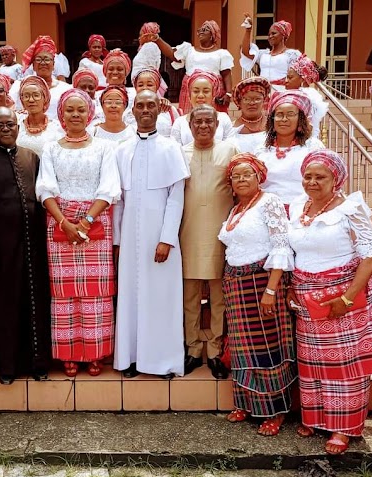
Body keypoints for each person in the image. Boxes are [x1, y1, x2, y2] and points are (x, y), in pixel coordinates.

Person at [288, 149, 372, 455]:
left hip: (342, 294)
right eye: (308, 176)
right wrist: (292, 287)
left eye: (320, 177)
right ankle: (316, 419)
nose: (312, 181)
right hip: (308, 296)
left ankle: (343, 428)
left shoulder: (350, 208)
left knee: (344, 366)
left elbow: (370, 254)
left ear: (336, 179)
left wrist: (347, 299)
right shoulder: (298, 207)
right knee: (314, 364)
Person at [35, 89, 121, 378]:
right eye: (69, 110)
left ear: (89, 114)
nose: (75, 115)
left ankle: (94, 354)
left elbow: (109, 188)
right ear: (61, 114)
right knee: (64, 296)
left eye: (80, 110)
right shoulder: (51, 148)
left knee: (95, 295)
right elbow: (45, 188)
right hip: (59, 223)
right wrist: (65, 223)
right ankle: (69, 354)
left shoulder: (103, 148)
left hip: (95, 223)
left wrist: (85, 221)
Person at [0, 107, 51, 383]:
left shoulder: (32, 158)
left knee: (35, 303)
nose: (6, 129)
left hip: (33, 246)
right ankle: (7, 367)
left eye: (10, 124)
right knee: (5, 307)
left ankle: (38, 364)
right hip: (0, 250)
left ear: (18, 127)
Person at [113, 90, 190, 379]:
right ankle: (131, 359)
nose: (145, 110)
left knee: (162, 298)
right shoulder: (122, 149)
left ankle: (164, 361)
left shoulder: (171, 148)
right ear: (132, 110)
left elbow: (176, 196)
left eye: (150, 105)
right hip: (130, 240)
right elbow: (118, 199)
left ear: (159, 109)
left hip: (161, 240)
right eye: (140, 105)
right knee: (131, 297)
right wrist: (117, 241)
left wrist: (167, 238)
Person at [218, 154, 295, 435]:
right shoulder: (236, 208)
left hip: (262, 282)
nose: (241, 180)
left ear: (259, 176)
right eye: (235, 176)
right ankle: (246, 403)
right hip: (236, 283)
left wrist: (271, 290)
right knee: (241, 349)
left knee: (268, 349)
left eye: (246, 174)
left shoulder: (269, 202)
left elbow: (281, 245)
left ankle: (275, 410)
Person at [181, 105, 238, 380]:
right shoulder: (180, 153)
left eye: (208, 121)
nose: (203, 126)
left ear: (217, 124)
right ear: (190, 125)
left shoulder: (230, 151)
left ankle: (215, 352)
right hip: (187, 233)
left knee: (219, 298)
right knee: (189, 296)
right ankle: (192, 350)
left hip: (221, 235)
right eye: (198, 122)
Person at [254, 90, 324, 209]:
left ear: (300, 119)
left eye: (290, 114)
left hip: (303, 210)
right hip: (267, 211)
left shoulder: (312, 147)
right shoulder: (261, 149)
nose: (284, 119)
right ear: (272, 119)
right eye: (279, 114)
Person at [152, 20, 234, 115]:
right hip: (190, 92)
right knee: (190, 118)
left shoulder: (222, 54)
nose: (201, 32)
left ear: (212, 35)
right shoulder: (189, 50)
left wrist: (228, 93)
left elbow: (226, 74)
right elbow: (172, 55)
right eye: (200, 30)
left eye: (205, 29)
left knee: (211, 118)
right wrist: (157, 39)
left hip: (212, 92)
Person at [9, 35, 71, 120]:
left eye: (47, 59)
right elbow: (12, 109)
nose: (42, 63)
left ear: (53, 65)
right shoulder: (20, 87)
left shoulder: (65, 89)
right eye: (38, 59)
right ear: (33, 66)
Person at [170, 71, 234, 145]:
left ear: (213, 95)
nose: (200, 95)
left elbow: (229, 148)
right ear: (189, 96)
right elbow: (175, 151)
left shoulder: (223, 119)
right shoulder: (179, 122)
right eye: (196, 91)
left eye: (206, 91)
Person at [240, 15, 301, 91]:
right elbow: (246, 52)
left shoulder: (292, 55)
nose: (270, 36)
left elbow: (296, 77)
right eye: (269, 34)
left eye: (273, 33)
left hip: (282, 92)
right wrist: (248, 30)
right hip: (264, 92)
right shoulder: (263, 55)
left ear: (283, 35)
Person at [16, 76, 63, 157]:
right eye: (26, 96)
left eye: (36, 95)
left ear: (45, 98)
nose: (31, 100)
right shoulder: (16, 126)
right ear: (22, 101)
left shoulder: (57, 128)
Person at [125, 68, 179, 137]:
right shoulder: (128, 110)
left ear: (157, 87)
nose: (145, 88)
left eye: (150, 85)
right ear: (135, 88)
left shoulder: (168, 109)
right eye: (140, 85)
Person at [285, 55, 329, 138]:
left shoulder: (306, 97)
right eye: (286, 77)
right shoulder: (298, 95)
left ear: (303, 79)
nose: (286, 81)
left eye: (290, 78)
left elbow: (307, 129)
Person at [232, 77, 270, 154]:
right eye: (246, 99)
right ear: (239, 102)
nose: (252, 103)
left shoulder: (273, 125)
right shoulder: (231, 129)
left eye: (257, 99)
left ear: (264, 101)